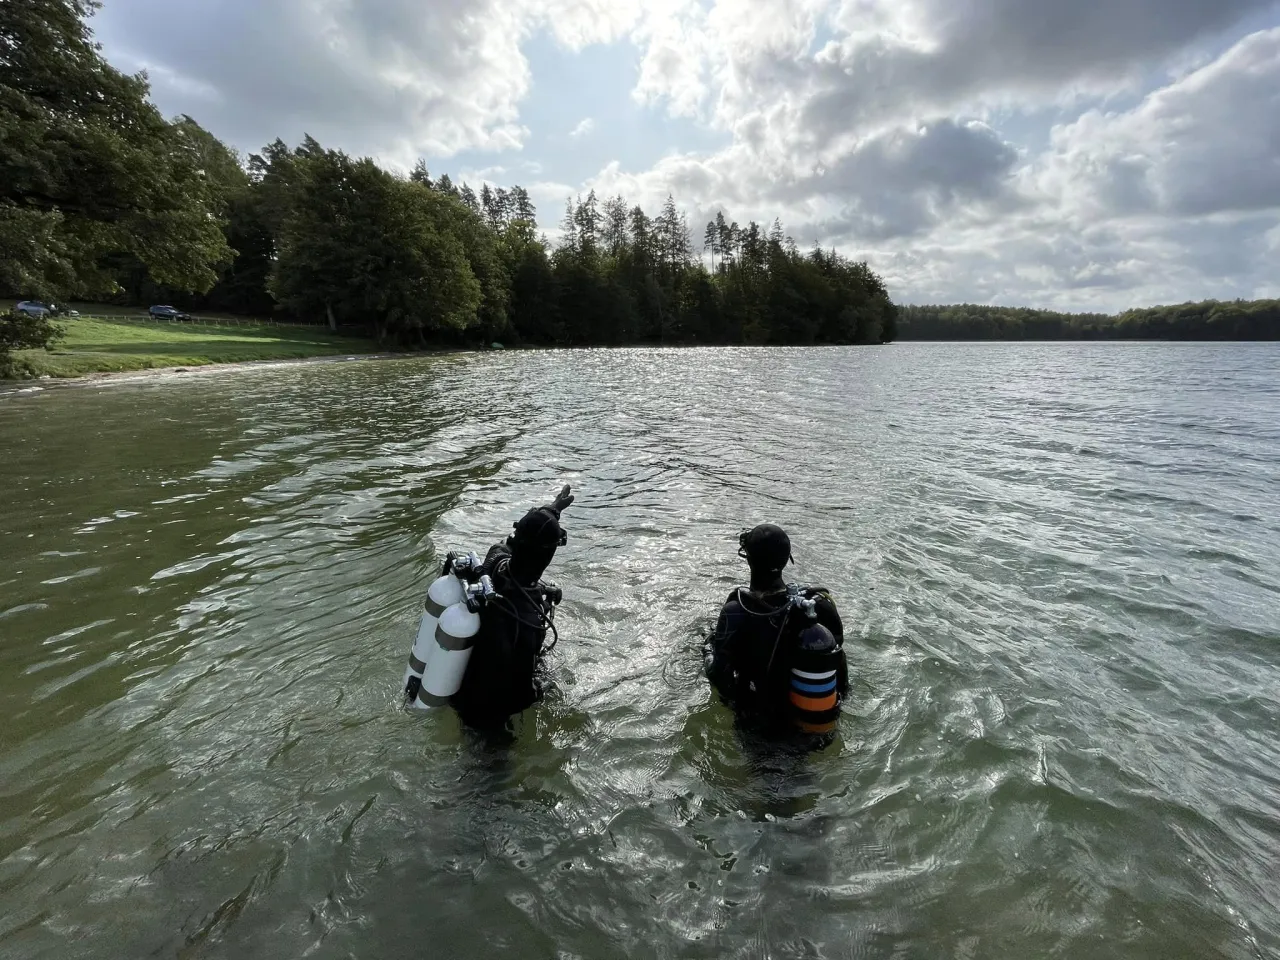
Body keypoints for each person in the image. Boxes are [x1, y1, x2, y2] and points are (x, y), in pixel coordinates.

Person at [705, 524, 848, 738]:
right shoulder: (820, 604)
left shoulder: (736, 611)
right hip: (817, 726)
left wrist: (707, 649)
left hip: (760, 730)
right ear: (787, 558)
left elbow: (721, 678)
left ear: (748, 558)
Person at [451, 485, 575, 730]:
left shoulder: (494, 562)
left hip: (459, 684)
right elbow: (519, 697)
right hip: (483, 717)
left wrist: (552, 508)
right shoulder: (527, 624)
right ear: (548, 556)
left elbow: (520, 544)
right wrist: (544, 689)